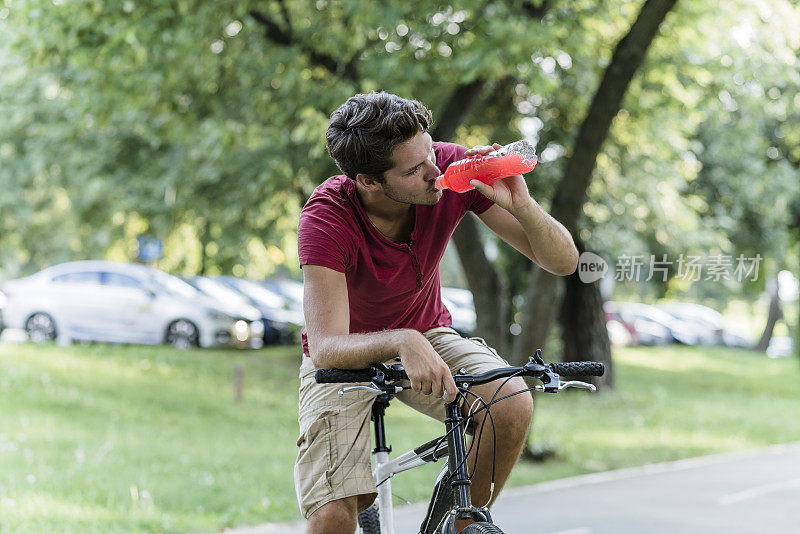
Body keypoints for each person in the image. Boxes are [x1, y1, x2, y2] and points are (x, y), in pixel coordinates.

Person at [295, 91, 578, 533]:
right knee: (333, 517)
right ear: (368, 181)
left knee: (511, 401)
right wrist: (401, 340)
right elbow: (327, 347)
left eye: (431, 152)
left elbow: (563, 262)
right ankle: (352, 503)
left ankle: (459, 525)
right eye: (414, 169)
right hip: (346, 354)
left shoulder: (450, 169)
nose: (436, 171)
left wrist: (520, 203)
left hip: (428, 332)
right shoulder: (326, 220)